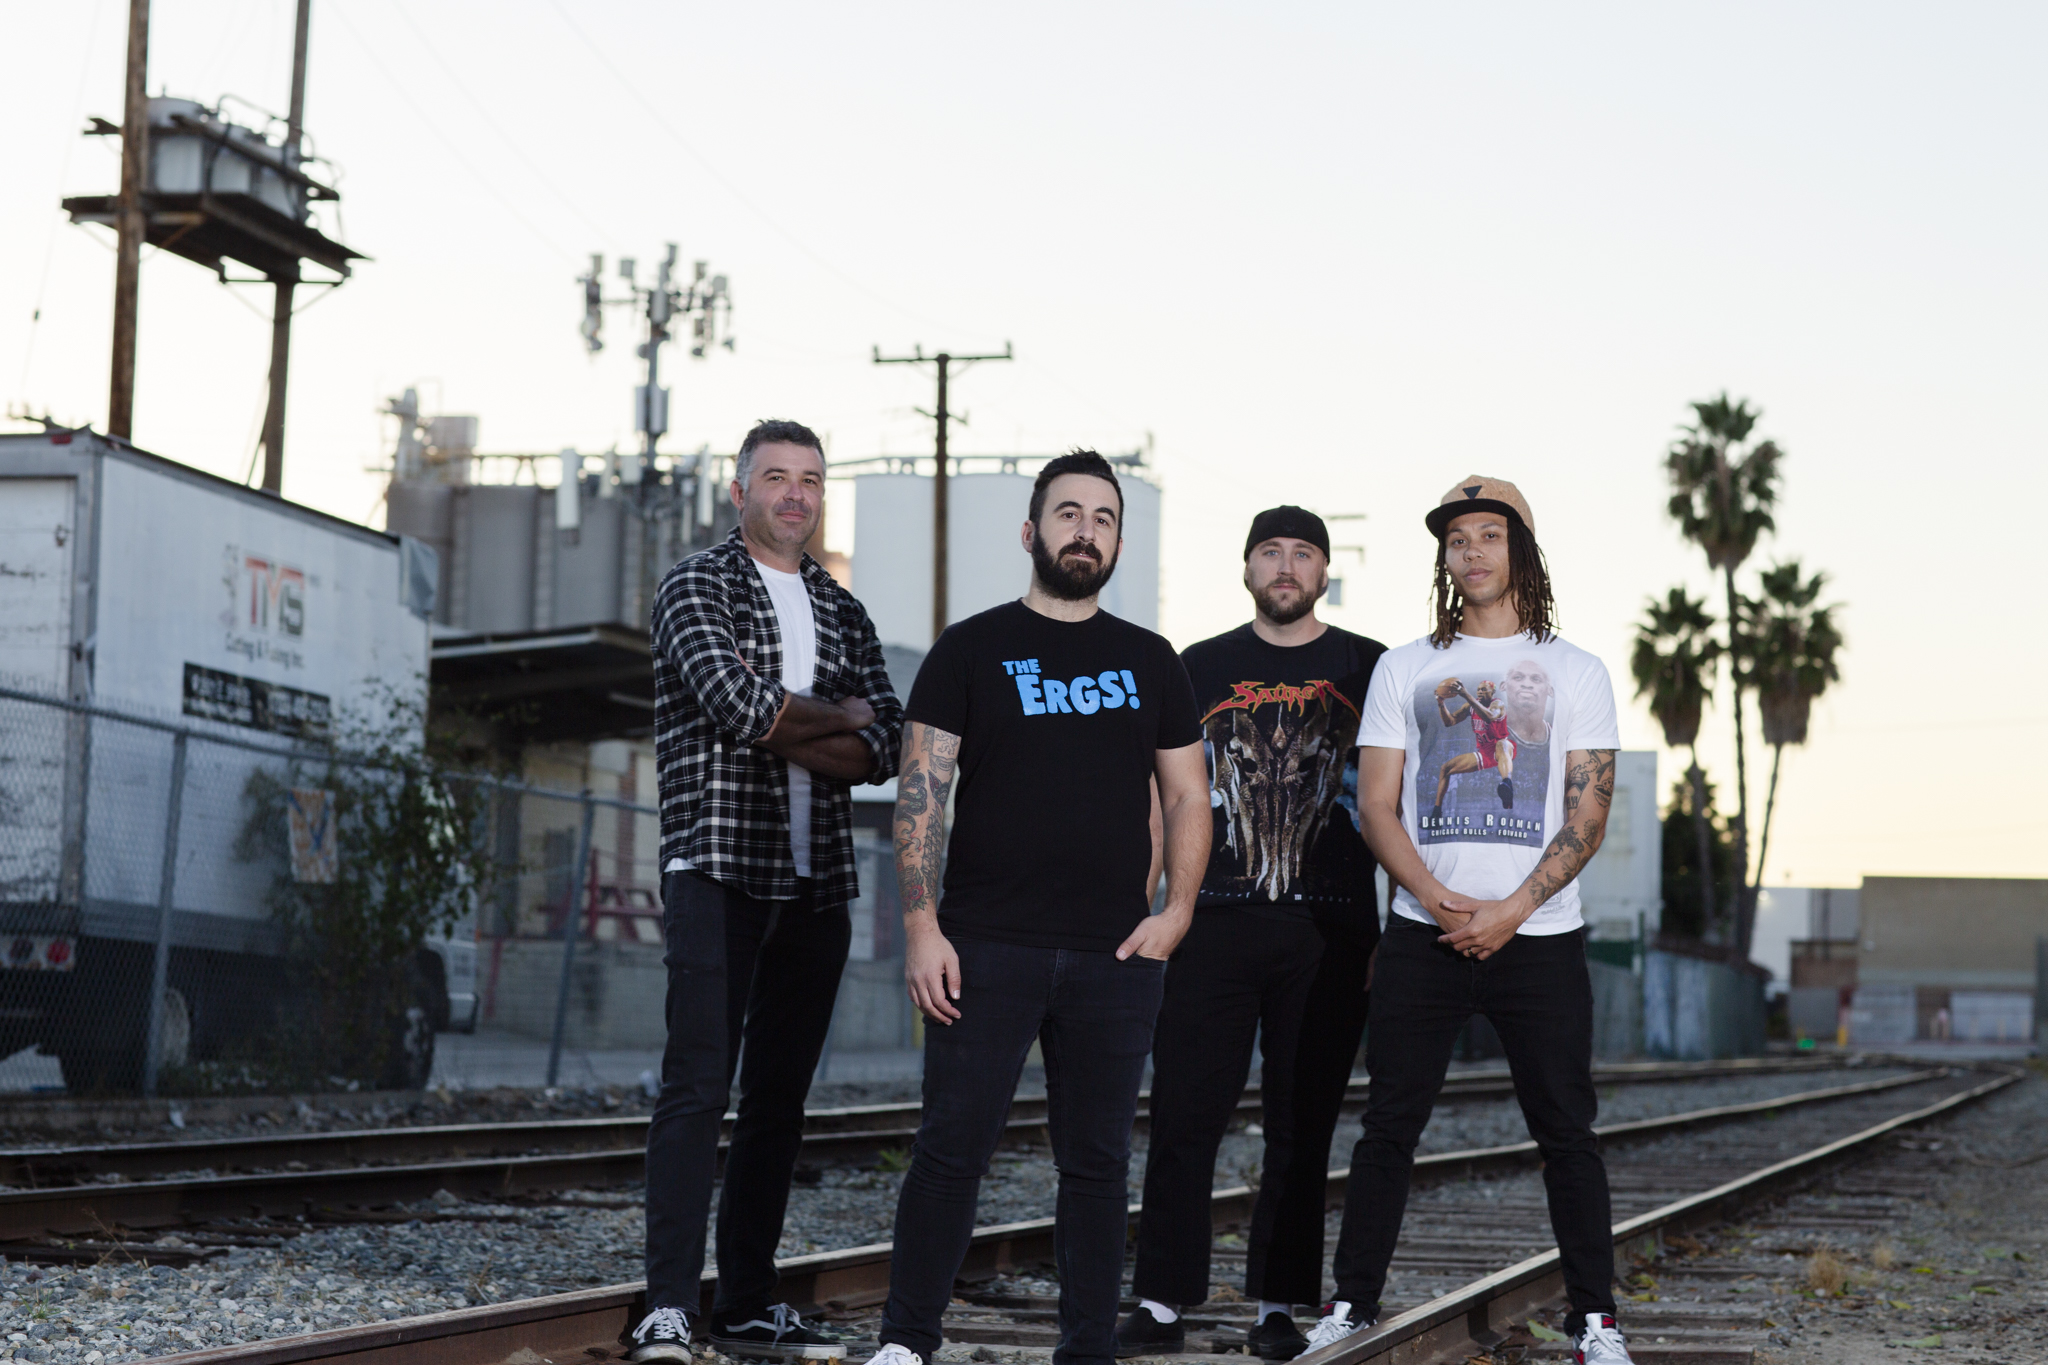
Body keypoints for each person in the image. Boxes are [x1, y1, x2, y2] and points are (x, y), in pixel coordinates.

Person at [861, 451, 1211, 1365]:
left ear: (1118, 541)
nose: (1083, 529)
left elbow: (1186, 797)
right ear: (1031, 531)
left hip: (1114, 955)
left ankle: (1087, 1349)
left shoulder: (1151, 660)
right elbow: (921, 792)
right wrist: (923, 924)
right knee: (950, 1151)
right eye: (1067, 513)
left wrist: (1176, 913)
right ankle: (906, 1344)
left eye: (1102, 517)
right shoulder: (970, 648)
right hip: (983, 945)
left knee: (1095, 1168)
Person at [1305, 477, 1634, 1365]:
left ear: (1521, 550)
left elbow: (1587, 813)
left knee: (1567, 1130)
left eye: (1492, 534)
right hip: (1424, 933)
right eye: (1459, 539)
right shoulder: (1405, 667)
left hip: (1543, 937)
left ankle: (1596, 1323)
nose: (1474, 551)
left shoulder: (1578, 672)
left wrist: (1513, 909)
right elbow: (1376, 805)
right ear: (1445, 558)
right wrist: (1445, 903)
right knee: (1387, 1128)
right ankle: (1352, 1307)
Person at [630, 420, 904, 1364]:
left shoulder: (842, 608)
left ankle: (747, 1298)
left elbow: (890, 744)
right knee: (698, 1086)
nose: (795, 493)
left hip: (816, 878)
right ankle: (667, 1303)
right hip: (716, 866)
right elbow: (735, 704)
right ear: (740, 489)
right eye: (777, 477)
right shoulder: (694, 584)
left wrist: (806, 723)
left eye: (811, 480)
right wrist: (839, 720)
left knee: (780, 1099)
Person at [1116, 507, 1386, 1362]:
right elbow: (1163, 795)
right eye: (1270, 551)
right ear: (1246, 567)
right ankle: (1161, 1301)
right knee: (1185, 1115)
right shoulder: (1199, 666)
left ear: (1323, 570)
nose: (1285, 565)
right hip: (1213, 921)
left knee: (1302, 1126)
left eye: (1303, 553)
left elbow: (1400, 795)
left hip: (1332, 931)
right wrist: (1151, 901)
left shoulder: (1369, 666)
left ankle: (1278, 1303)